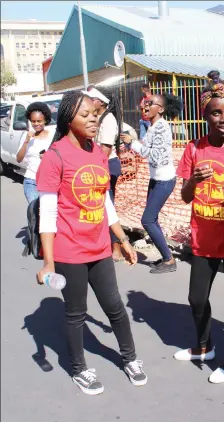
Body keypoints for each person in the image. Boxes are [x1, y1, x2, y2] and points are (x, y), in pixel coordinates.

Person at [36, 90, 147, 395]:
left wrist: (122, 238)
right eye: (85, 115)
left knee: (115, 307)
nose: (93, 120)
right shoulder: (55, 156)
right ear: (68, 118)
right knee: (76, 313)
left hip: (99, 246)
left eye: (95, 114)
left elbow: (104, 202)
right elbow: (47, 215)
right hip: (69, 250)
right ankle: (79, 368)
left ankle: (130, 359)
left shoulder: (98, 153)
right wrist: (48, 262)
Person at [174, 83, 224, 383]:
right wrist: (194, 180)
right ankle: (205, 346)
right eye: (216, 113)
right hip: (203, 239)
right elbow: (184, 197)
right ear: (205, 115)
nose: (223, 118)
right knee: (197, 299)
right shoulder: (194, 148)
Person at [120, 92, 183, 274]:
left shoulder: (162, 127)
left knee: (147, 220)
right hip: (156, 179)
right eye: (145, 103)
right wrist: (131, 143)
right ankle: (166, 257)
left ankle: (169, 260)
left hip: (164, 181)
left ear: (160, 109)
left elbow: (154, 155)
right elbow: (147, 149)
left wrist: (133, 143)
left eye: (150, 103)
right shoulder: (153, 126)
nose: (145, 106)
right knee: (152, 219)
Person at [87, 86, 137, 263]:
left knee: (107, 207)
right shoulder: (99, 117)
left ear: (100, 102)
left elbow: (105, 150)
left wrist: (94, 171)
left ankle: (116, 249)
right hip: (101, 164)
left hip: (105, 165)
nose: (88, 101)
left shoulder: (108, 120)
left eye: (91, 98)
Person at [16, 102, 54, 203]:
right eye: (33, 121)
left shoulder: (53, 136)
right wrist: (26, 141)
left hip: (49, 180)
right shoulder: (27, 136)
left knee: (47, 213)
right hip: (31, 181)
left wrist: (48, 156)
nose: (36, 124)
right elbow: (18, 159)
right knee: (35, 213)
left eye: (39, 121)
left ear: (45, 120)